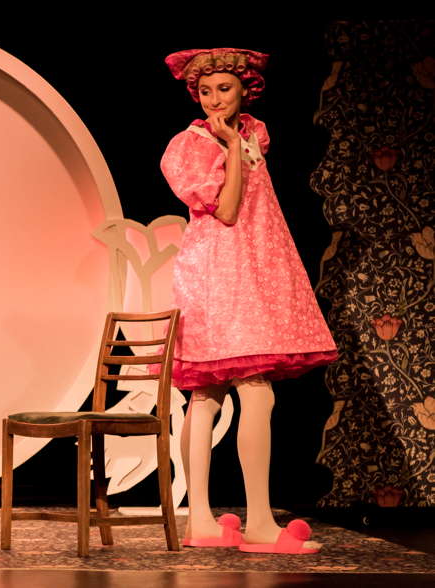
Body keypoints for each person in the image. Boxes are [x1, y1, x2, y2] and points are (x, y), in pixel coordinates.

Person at [161, 49, 338, 554]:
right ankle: (256, 522)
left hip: (246, 273)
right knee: (249, 392)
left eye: (224, 89)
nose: (215, 99)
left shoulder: (253, 137)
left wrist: (238, 144)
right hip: (218, 276)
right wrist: (229, 148)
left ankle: (201, 521)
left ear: (245, 90)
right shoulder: (191, 146)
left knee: (211, 396)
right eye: (206, 91)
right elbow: (231, 210)